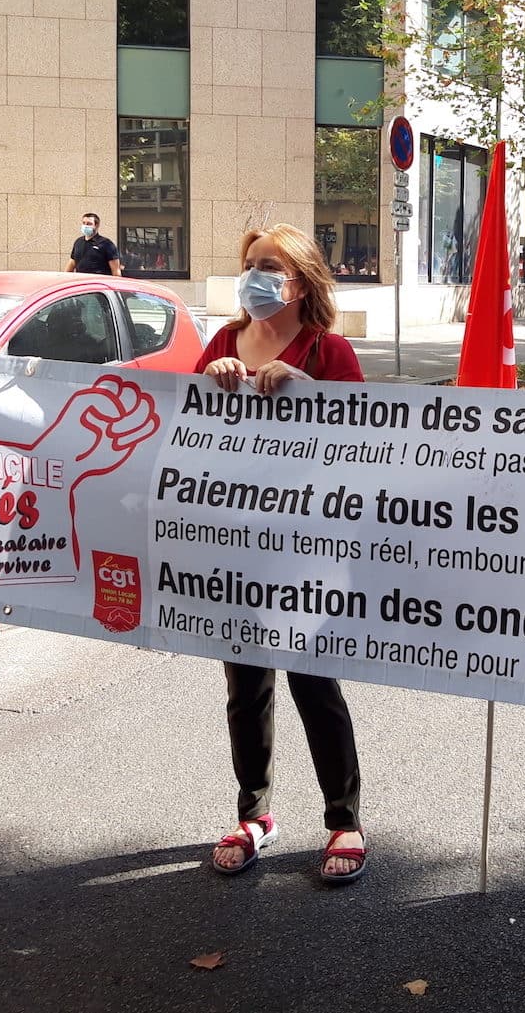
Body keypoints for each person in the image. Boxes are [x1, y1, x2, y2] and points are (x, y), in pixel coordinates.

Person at [196, 222, 367, 882]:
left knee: (314, 684)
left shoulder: (329, 350)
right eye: (250, 263)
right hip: (235, 549)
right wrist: (211, 380)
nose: (256, 275)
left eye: (270, 265)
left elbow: (363, 445)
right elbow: (187, 431)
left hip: (309, 552)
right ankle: (254, 810)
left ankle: (344, 820)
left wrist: (304, 387)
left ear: (300, 281)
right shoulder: (219, 343)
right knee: (245, 687)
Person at [66, 211, 121, 276]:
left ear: (96, 225)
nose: (85, 226)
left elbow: (115, 270)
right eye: (84, 223)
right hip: (81, 282)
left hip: (97, 283)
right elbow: (72, 262)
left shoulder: (106, 244)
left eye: (89, 224)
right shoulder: (78, 242)